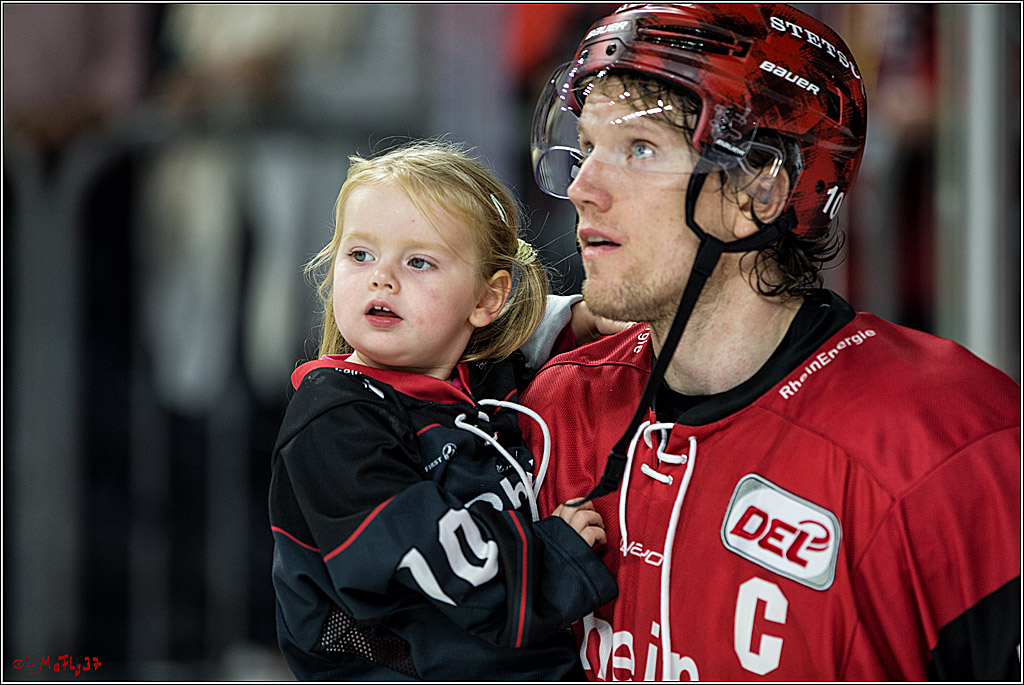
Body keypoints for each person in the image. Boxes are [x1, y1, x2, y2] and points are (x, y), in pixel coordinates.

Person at [521, 4, 1020, 681]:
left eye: (638, 150)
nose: (582, 188)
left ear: (761, 186)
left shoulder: (949, 448)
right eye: (586, 147)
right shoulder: (554, 411)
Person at [268, 140, 618, 680]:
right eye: (360, 255)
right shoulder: (334, 419)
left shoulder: (460, 376)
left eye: (419, 262)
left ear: (486, 300)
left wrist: (581, 323)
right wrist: (556, 555)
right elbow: (433, 562)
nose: (382, 278)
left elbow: (510, 349)